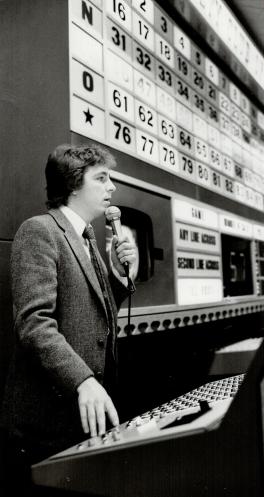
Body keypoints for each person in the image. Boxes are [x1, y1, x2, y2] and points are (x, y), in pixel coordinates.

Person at [0, 144, 136, 495]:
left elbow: (95, 317)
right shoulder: (40, 231)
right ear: (74, 184)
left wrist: (120, 279)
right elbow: (34, 323)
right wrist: (83, 381)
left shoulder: (87, 240)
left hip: (83, 416)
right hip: (48, 423)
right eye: (102, 178)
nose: (112, 188)